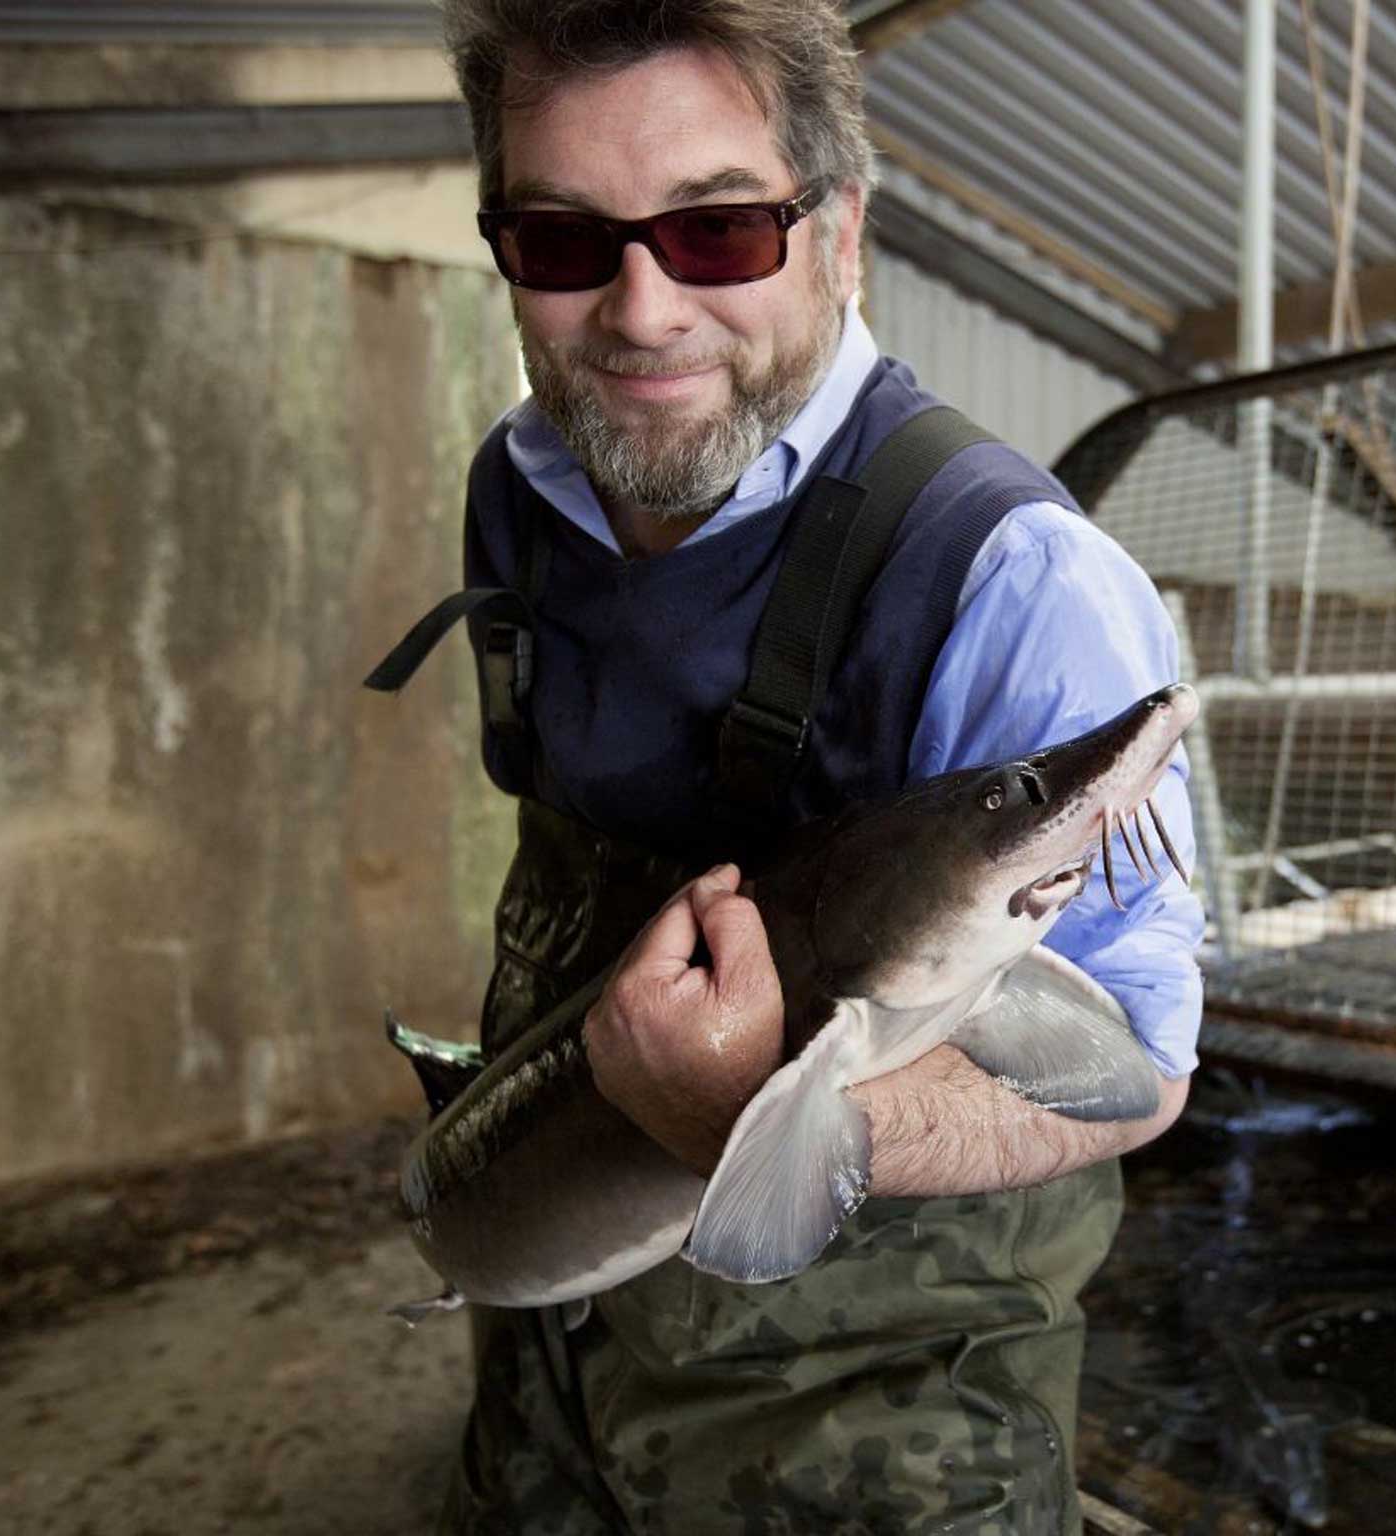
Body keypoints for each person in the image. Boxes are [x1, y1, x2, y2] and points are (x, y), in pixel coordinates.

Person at [424, 3, 1204, 1531]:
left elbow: (1142, 1079)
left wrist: (771, 1114)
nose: (642, 311)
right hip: (544, 1331)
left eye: (717, 231)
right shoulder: (520, 481)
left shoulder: (1019, 581)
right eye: (565, 240)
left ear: (839, 233)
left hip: (874, 1398)